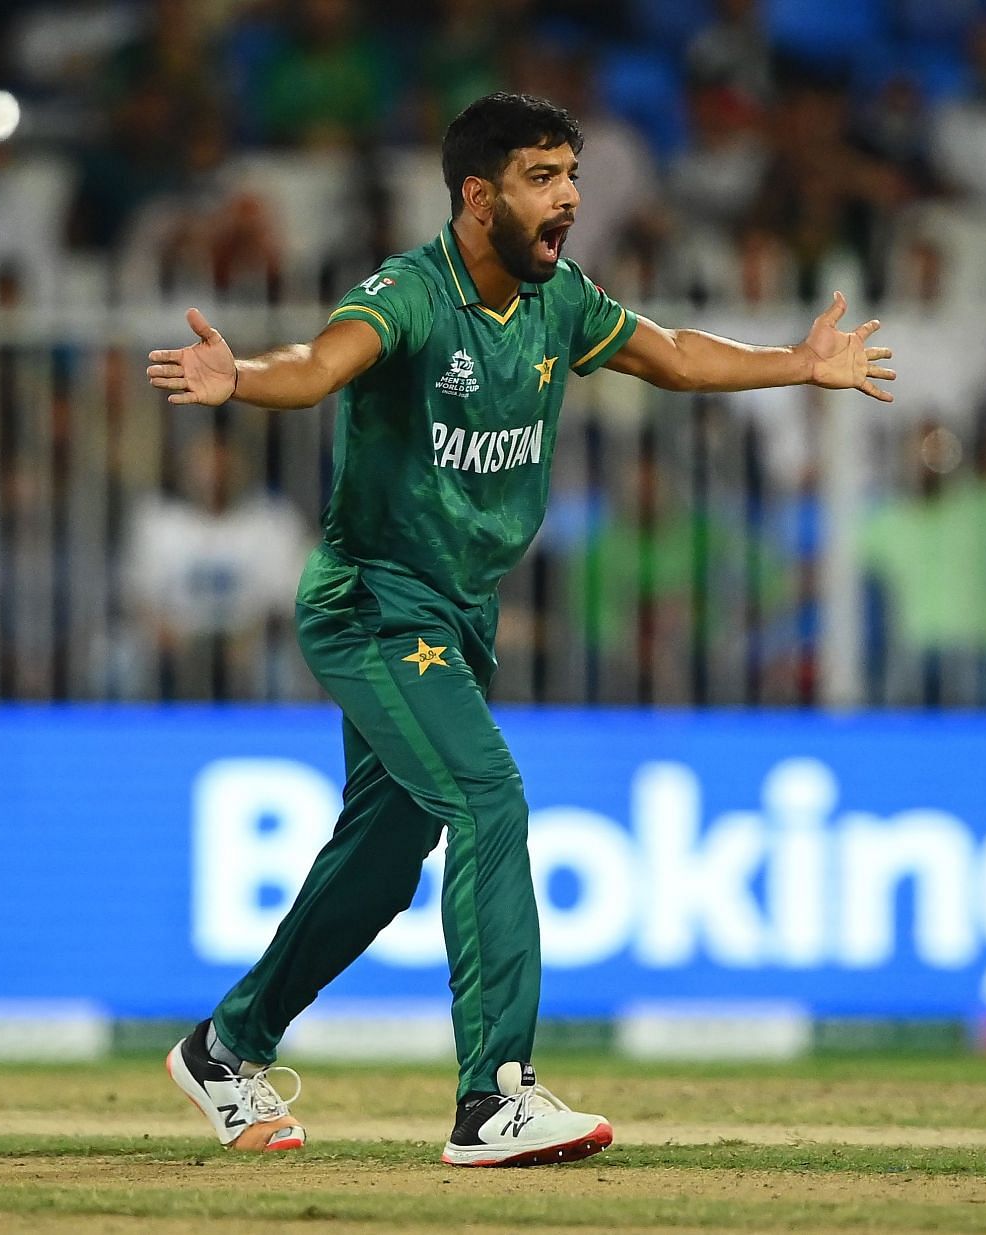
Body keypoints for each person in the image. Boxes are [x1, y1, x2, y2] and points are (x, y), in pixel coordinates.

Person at [144, 93, 894, 1167]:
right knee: (488, 796)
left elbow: (672, 353)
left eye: (572, 176)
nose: (572, 198)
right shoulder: (410, 295)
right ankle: (495, 1096)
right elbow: (317, 365)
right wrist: (242, 378)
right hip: (375, 602)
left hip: (457, 611)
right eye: (545, 178)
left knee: (385, 855)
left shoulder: (559, 301)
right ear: (477, 195)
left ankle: (225, 1047)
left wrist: (799, 362)